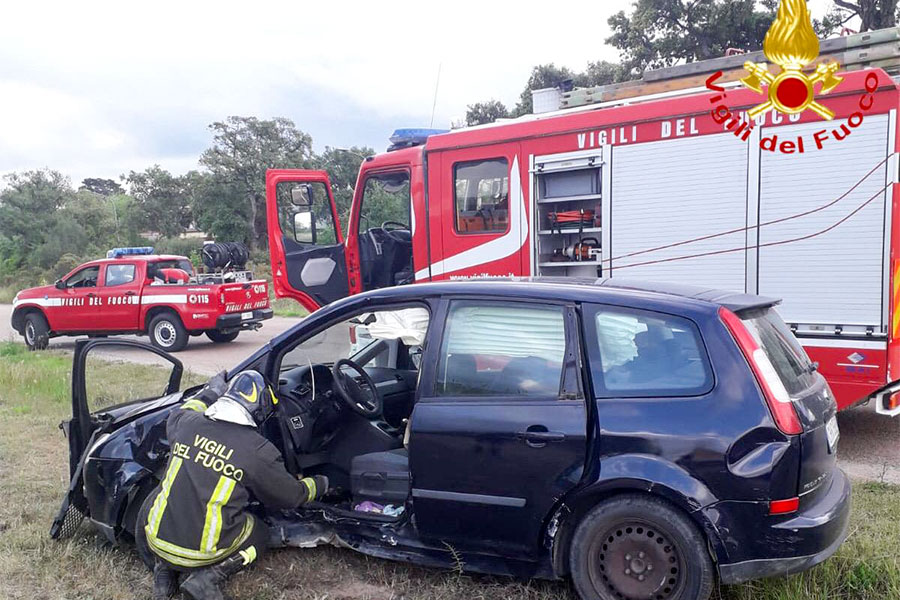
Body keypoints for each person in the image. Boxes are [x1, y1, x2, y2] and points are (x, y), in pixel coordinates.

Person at [136, 370, 328, 600]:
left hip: (154, 538)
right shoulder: (257, 450)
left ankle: (164, 571)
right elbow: (290, 496)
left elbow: (188, 407)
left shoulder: (185, 423)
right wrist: (321, 482)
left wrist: (211, 390)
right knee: (260, 532)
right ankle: (207, 578)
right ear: (259, 410)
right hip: (201, 553)